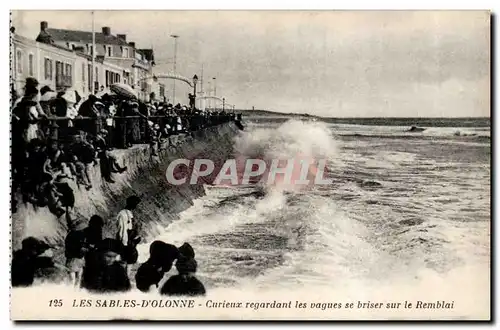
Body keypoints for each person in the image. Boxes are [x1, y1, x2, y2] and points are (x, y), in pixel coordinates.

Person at [116, 196, 142, 266]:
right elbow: (123, 230)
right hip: (126, 244)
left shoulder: (128, 213)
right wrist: (125, 245)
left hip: (129, 243)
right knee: (126, 262)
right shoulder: (123, 214)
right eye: (135, 204)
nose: (136, 206)